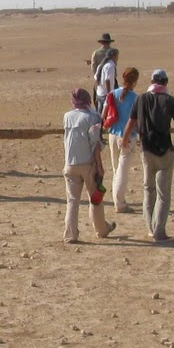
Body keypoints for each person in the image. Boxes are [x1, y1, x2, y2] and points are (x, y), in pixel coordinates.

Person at [122, 70, 174, 242]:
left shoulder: (140, 99)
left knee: (148, 189)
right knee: (163, 193)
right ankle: (159, 232)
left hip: (146, 150)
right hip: (164, 151)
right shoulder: (171, 101)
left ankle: (150, 228)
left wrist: (124, 140)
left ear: (151, 81)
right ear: (166, 83)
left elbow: (131, 123)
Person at [62, 88, 115, 243]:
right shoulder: (93, 117)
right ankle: (101, 229)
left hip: (70, 163)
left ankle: (70, 234)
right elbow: (95, 144)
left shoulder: (67, 116)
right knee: (95, 198)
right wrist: (100, 166)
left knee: (72, 201)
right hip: (88, 163)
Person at [103, 67, 141, 212]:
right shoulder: (135, 98)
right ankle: (120, 203)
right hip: (127, 137)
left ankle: (116, 199)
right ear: (135, 81)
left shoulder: (112, 94)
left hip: (113, 134)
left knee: (115, 169)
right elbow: (137, 120)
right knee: (122, 172)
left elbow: (104, 114)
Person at [95, 46, 120, 111]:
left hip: (99, 93)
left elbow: (96, 79)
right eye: (117, 56)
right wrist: (109, 95)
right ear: (114, 56)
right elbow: (107, 81)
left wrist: (96, 91)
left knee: (100, 113)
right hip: (106, 95)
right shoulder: (110, 66)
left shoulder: (101, 65)